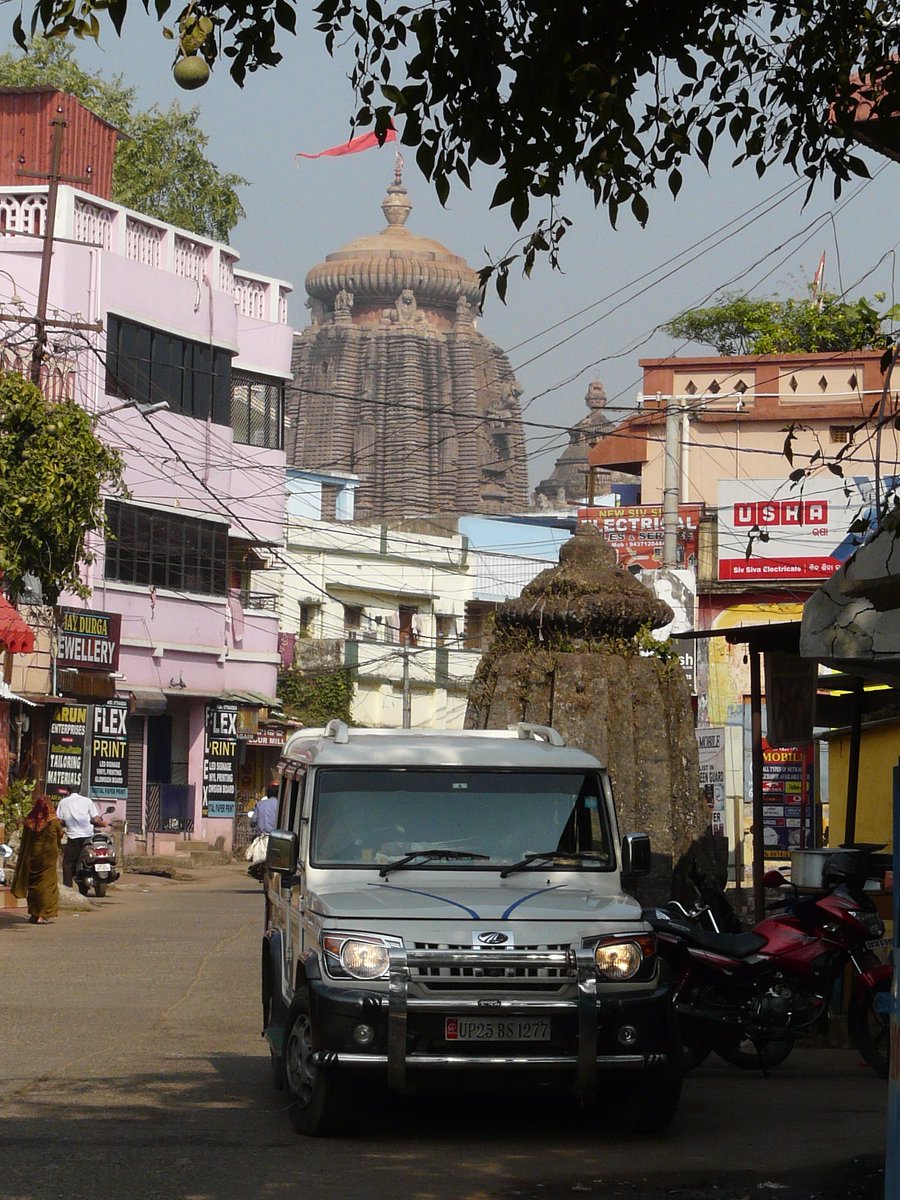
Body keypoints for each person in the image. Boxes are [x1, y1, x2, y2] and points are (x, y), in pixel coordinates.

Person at [11, 795, 64, 924]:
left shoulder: (30, 821)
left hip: (33, 857)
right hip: (48, 859)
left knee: (33, 886)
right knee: (47, 885)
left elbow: (25, 840)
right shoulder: (53, 821)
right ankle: (43, 915)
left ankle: (34, 914)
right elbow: (60, 835)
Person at [56, 785, 106, 889]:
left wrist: (65, 825)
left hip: (73, 837)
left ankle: (68, 888)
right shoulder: (87, 801)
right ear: (79, 791)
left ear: (68, 791)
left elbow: (60, 820)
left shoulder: (63, 802)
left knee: (68, 863)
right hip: (88, 836)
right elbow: (95, 819)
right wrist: (104, 823)